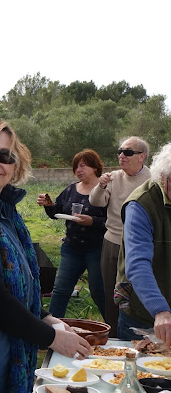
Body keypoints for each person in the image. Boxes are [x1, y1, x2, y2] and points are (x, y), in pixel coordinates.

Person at [0, 116, 92, 393]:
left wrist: (46, 316)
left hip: (2, 349)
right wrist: (51, 337)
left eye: (5, 156)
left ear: (16, 164)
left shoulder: (3, 211)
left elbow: (14, 285)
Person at [89, 136, 150, 337]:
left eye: (128, 152)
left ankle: (139, 334)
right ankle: (114, 336)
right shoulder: (113, 177)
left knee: (138, 291)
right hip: (113, 241)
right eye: (120, 152)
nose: (122, 156)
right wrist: (100, 186)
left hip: (140, 244)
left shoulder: (152, 179)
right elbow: (96, 202)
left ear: (142, 156)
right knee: (111, 292)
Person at [37, 149, 108, 319]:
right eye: (76, 167)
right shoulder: (71, 189)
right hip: (71, 249)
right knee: (60, 290)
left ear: (95, 167)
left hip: (98, 249)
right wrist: (48, 205)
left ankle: (115, 329)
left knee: (99, 292)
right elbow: (57, 212)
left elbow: (115, 221)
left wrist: (92, 221)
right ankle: (53, 329)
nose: (78, 170)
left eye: (83, 166)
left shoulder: (106, 190)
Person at [115, 142, 171, 345]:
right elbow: (137, 264)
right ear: (163, 178)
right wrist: (160, 310)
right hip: (144, 313)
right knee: (138, 364)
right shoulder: (140, 205)